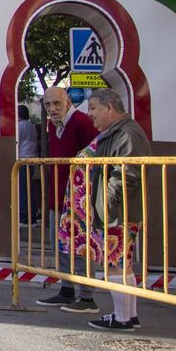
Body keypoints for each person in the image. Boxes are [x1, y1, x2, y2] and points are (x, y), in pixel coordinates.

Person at [58, 88, 151, 330]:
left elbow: (124, 175)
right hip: (114, 211)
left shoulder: (127, 134)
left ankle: (122, 318)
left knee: (116, 264)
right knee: (121, 262)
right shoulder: (118, 131)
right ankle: (128, 315)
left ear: (109, 107)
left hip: (117, 212)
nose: (90, 115)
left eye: (94, 109)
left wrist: (106, 206)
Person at [37, 87, 100, 312]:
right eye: (47, 105)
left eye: (56, 104)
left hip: (80, 199)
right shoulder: (53, 126)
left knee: (80, 246)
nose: (52, 109)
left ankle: (86, 297)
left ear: (68, 101)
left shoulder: (82, 123)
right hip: (59, 196)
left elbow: (97, 155)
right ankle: (67, 290)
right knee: (61, 245)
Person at [16, 103, 40, 224]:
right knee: (30, 190)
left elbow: (16, 142)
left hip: (23, 161)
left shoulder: (19, 126)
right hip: (32, 161)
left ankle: (24, 217)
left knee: (23, 191)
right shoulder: (32, 126)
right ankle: (32, 216)